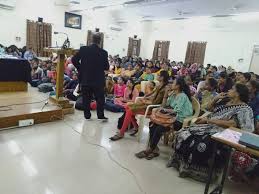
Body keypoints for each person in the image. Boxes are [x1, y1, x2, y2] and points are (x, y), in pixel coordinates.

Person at [168, 83, 254, 182]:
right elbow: (208, 109)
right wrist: (215, 99)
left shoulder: (244, 109)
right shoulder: (226, 101)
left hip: (225, 132)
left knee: (202, 143)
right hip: (211, 126)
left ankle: (199, 171)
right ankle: (181, 164)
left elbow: (232, 124)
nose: (229, 90)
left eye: (232, 89)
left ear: (238, 94)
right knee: (185, 133)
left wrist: (208, 120)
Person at [135, 77, 193, 160]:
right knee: (152, 124)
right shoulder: (173, 94)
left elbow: (176, 111)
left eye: (173, 83)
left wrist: (164, 110)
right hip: (171, 117)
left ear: (178, 86)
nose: (171, 84)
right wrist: (166, 94)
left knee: (159, 128)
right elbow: (165, 105)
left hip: (180, 120)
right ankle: (154, 149)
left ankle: (150, 149)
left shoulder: (182, 96)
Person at [109, 70, 169, 141]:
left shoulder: (165, 88)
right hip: (148, 104)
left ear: (162, 77)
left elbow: (160, 103)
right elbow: (152, 94)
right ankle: (135, 127)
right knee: (127, 106)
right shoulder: (159, 85)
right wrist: (145, 97)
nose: (157, 76)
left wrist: (147, 101)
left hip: (151, 108)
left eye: (159, 75)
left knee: (129, 110)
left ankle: (122, 132)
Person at [72, 33, 109, 121]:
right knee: (100, 98)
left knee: (86, 98)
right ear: (100, 41)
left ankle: (87, 115)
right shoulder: (103, 52)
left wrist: (81, 68)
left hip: (86, 78)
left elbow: (74, 60)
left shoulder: (84, 49)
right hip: (98, 80)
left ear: (91, 40)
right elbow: (106, 67)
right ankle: (100, 115)